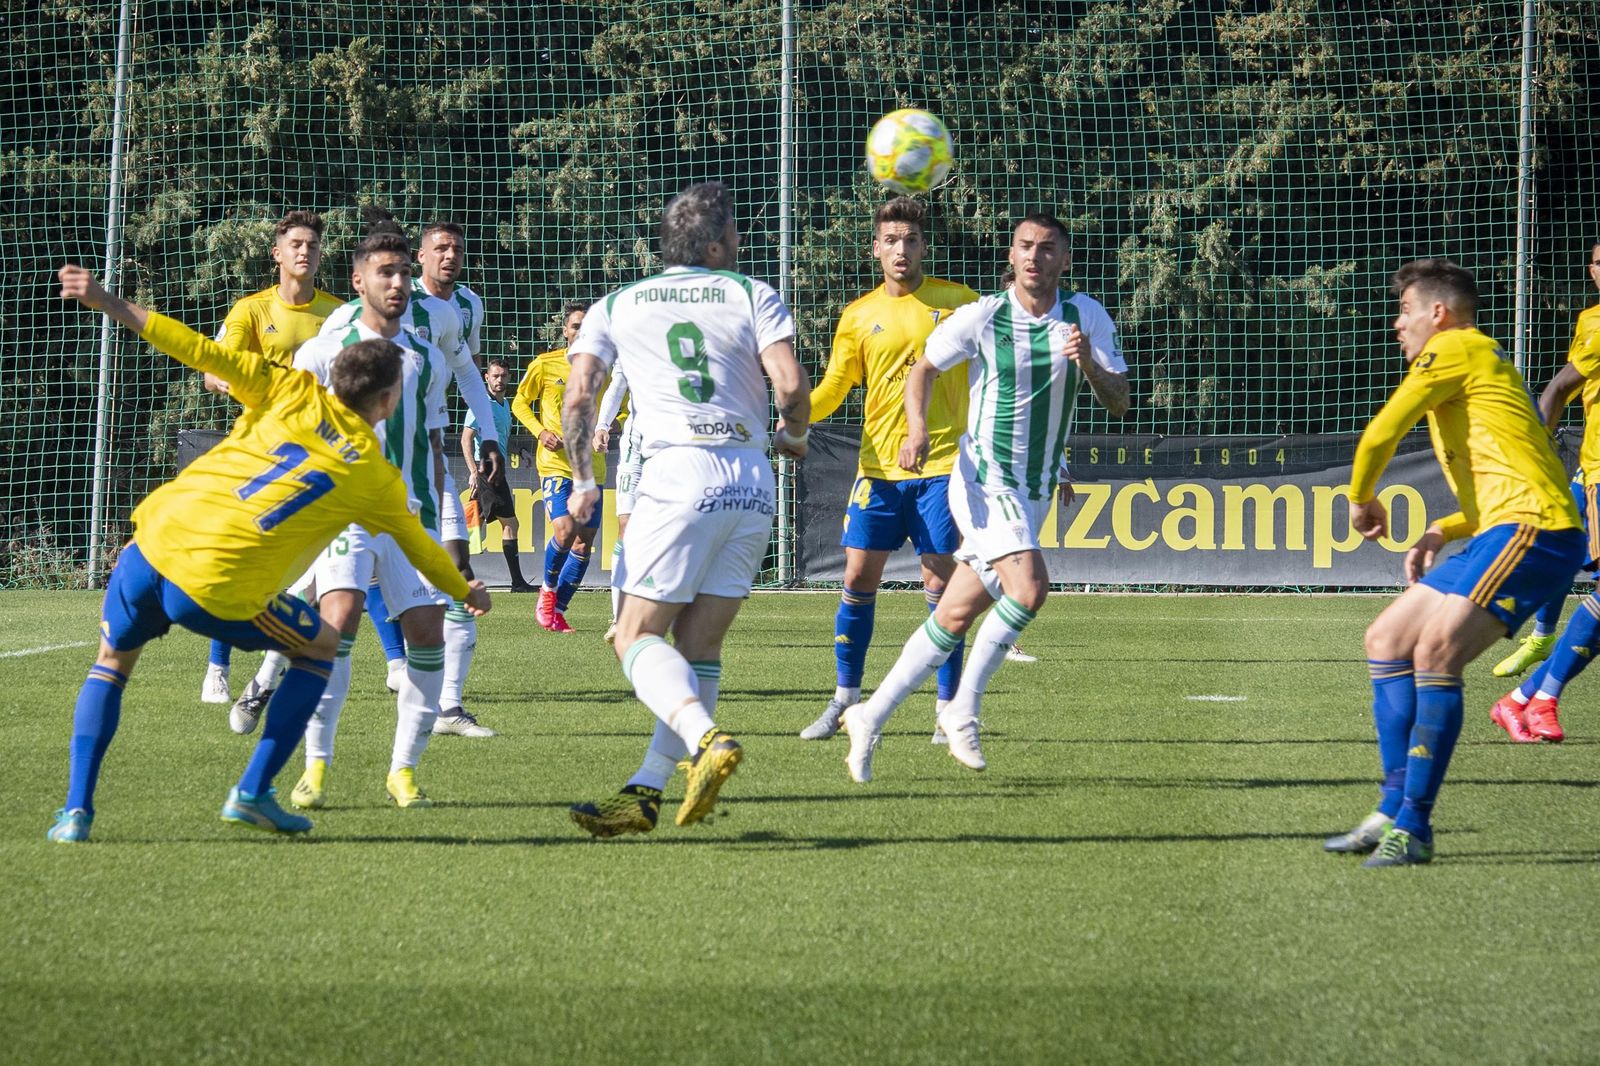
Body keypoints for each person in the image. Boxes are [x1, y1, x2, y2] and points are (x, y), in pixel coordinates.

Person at [48, 264, 487, 843]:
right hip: (214, 583)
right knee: (322, 646)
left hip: (150, 543)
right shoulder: (371, 474)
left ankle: (75, 813)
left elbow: (197, 348)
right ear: (386, 400)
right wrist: (464, 590)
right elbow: (420, 549)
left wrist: (109, 303)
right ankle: (253, 790)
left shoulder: (288, 386)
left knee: (110, 663)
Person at [840, 214, 1129, 783]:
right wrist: (917, 429)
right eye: (1025, 247)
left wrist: (1088, 363)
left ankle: (868, 716)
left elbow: (1119, 400)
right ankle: (962, 710)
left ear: (1064, 260)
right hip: (983, 477)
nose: (1034, 258)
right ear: (1012, 255)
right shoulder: (984, 316)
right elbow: (920, 370)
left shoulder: (1086, 315)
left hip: (1036, 487)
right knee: (1030, 588)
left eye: (1047, 250)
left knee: (954, 611)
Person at [562, 180, 810, 837]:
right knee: (698, 647)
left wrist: (584, 478)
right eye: (735, 233)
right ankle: (645, 790)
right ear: (716, 241)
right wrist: (796, 435)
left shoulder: (617, 303)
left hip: (677, 477)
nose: (740, 243)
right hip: (753, 483)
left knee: (631, 636)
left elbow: (580, 395)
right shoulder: (753, 293)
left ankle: (707, 741)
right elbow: (789, 385)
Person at [1324, 258, 1584, 868]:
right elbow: (1496, 490)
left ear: (1437, 314)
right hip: (1506, 528)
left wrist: (1361, 498)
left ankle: (1412, 828)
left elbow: (1381, 432)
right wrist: (1440, 529)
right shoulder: (1476, 371)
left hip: (1537, 532)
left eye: (1406, 311)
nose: (1397, 325)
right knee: (1386, 637)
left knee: (1435, 651)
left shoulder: (1457, 348)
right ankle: (1391, 808)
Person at [286, 227, 489, 814]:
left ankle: (402, 772)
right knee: (339, 619)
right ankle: (316, 766)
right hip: (345, 511)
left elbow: (428, 437)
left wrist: (433, 502)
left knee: (428, 633)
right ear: (359, 281)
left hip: (409, 514)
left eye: (403, 272)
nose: (398, 283)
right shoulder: (326, 348)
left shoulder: (420, 359)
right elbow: (289, 425)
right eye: (385, 273)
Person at [794, 196, 979, 745]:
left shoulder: (959, 303)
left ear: (925, 246)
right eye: (891, 241)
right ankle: (844, 703)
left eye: (911, 240)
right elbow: (833, 389)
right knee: (855, 579)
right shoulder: (857, 316)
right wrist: (792, 411)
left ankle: (947, 710)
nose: (902, 250)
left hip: (944, 465)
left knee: (942, 586)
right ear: (875, 248)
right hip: (877, 470)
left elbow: (1001, 371)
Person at [313, 214, 504, 735]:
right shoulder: (344, 323)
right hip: (359, 483)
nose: (448, 256)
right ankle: (268, 679)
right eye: (437, 247)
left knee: (458, 581)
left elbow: (467, 370)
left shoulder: (451, 313)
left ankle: (448, 707)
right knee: (321, 602)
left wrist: (487, 435)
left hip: (430, 469)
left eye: (456, 248)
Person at [200, 210, 343, 705]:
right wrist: (223, 377)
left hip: (321, 454)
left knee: (344, 561)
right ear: (278, 253)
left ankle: (394, 666)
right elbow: (215, 367)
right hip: (261, 449)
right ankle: (218, 667)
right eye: (296, 244)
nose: (305, 251)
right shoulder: (251, 309)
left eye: (313, 245)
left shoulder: (340, 313)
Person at [1488, 239, 1600, 740]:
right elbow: (1555, 390)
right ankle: (1540, 692)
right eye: (1599, 261)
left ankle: (1522, 697)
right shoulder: (1594, 324)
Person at [511, 301, 604, 632]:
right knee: (564, 531)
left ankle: (558, 609)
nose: (581, 331)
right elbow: (520, 402)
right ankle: (547, 592)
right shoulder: (545, 365)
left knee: (585, 541)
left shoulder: (603, 368)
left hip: (592, 468)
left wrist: (612, 426)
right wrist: (540, 431)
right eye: (575, 326)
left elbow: (619, 408)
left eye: (587, 326)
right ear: (565, 331)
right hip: (555, 464)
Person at [463, 356, 531, 590]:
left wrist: (520, 450)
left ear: (509, 378)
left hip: (496, 470)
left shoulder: (505, 407)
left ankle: (447, 576)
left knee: (471, 526)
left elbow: (501, 440)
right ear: (486, 378)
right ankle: (517, 582)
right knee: (509, 523)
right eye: (495, 376)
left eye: (503, 376)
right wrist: (473, 471)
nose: (499, 380)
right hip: (486, 470)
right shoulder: (481, 403)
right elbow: (466, 438)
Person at [593, 365, 640, 644]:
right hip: (635, 452)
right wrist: (602, 425)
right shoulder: (632, 330)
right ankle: (619, 618)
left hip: (675, 451)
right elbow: (617, 384)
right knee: (627, 528)